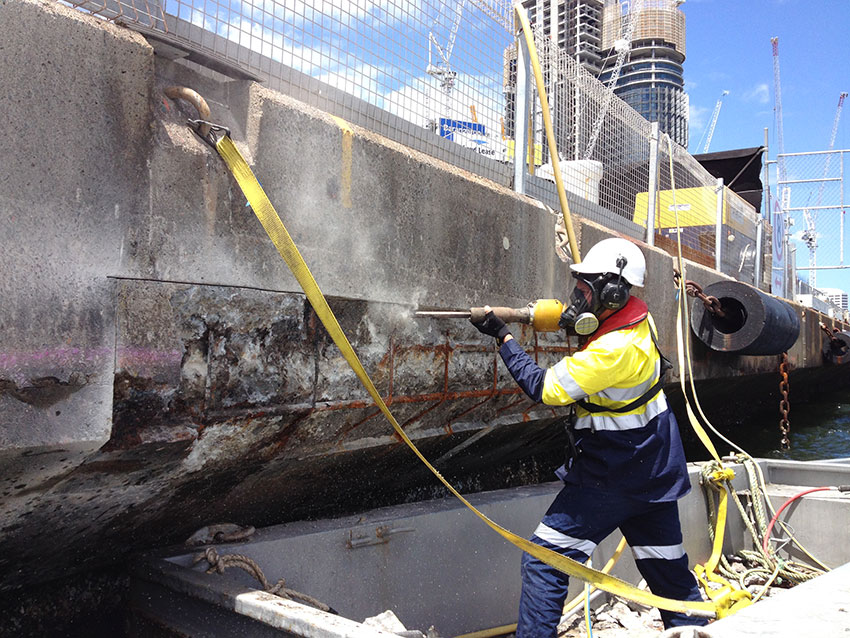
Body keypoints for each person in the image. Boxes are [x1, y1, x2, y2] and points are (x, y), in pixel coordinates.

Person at [471, 237, 708, 637]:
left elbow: (544, 388)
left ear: (611, 292)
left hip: (615, 474)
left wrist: (503, 336)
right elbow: (583, 323)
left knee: (546, 560)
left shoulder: (612, 350)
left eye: (585, 290)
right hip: (655, 468)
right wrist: (547, 316)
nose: (577, 297)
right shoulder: (636, 318)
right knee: (669, 574)